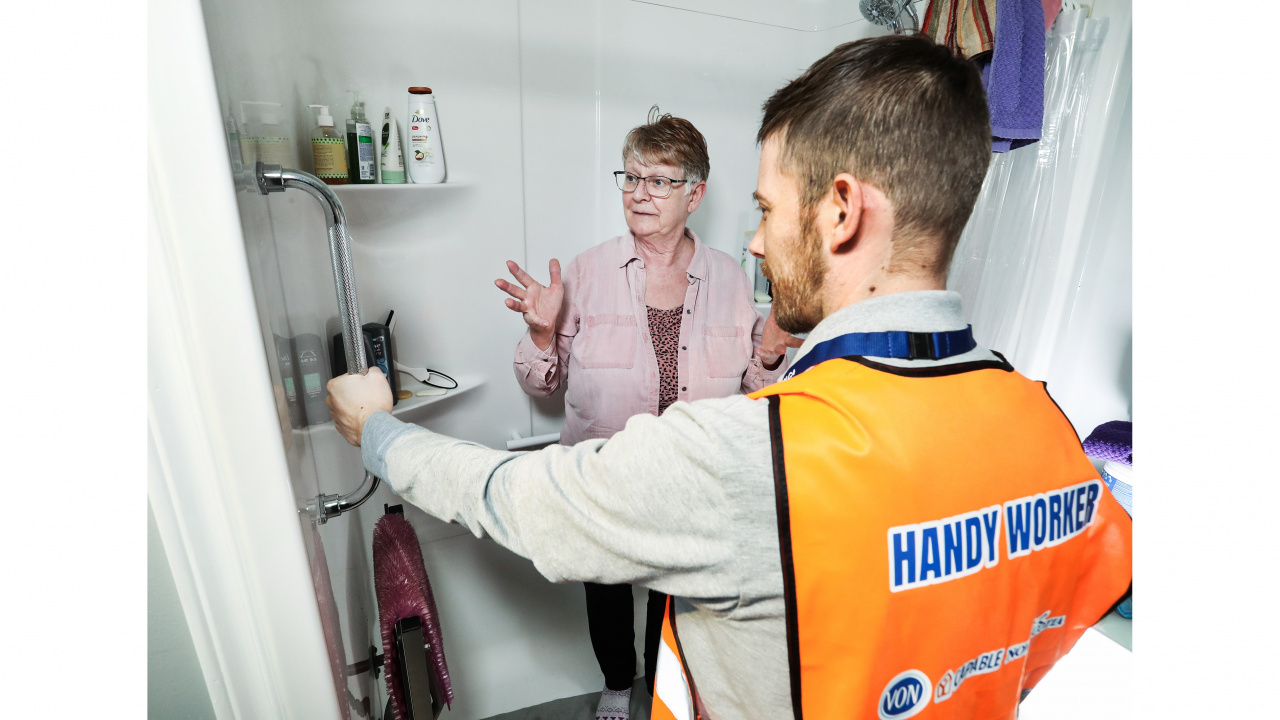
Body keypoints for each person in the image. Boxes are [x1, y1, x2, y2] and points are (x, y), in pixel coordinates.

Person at [328, 35, 1132, 720]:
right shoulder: (1046, 424)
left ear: (841, 212)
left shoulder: (753, 452)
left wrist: (379, 429)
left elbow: (525, 504)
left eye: (767, 210)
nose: (753, 242)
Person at [493, 106, 799, 717]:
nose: (639, 193)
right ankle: (615, 681)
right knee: (604, 586)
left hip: (692, 476)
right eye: (630, 178)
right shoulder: (584, 272)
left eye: (659, 181)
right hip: (606, 470)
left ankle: (669, 690)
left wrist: (767, 354)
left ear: (695, 194)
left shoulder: (729, 279)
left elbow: (747, 389)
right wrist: (540, 335)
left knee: (679, 595)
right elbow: (540, 385)